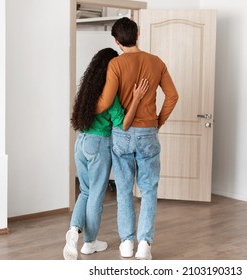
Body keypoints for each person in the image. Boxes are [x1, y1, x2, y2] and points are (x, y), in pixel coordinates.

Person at [95, 17, 179, 260]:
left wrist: (86, 109)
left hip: (121, 133)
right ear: (138, 34)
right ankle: (144, 244)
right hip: (147, 132)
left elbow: (106, 101)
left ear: (116, 41)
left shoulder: (115, 65)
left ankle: (126, 243)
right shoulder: (157, 63)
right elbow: (172, 96)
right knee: (149, 189)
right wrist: (157, 122)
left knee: (123, 189)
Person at [63, 47, 149, 260]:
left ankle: (74, 230)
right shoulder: (110, 95)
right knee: (96, 196)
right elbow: (124, 123)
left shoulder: (87, 90)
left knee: (84, 191)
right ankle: (89, 243)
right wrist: (137, 98)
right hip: (99, 144)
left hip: (81, 141)